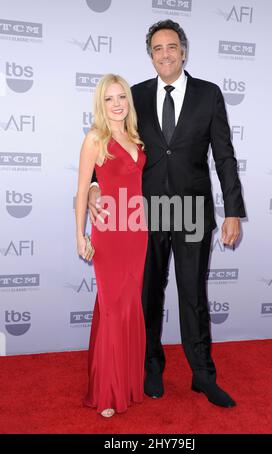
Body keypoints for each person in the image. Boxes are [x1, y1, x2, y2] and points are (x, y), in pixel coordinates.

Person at [89, 20, 246, 408]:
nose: (165, 54)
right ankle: (151, 368)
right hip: (145, 212)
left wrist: (233, 211)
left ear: (184, 51)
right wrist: (94, 183)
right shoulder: (135, 95)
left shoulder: (208, 95)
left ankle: (202, 375)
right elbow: (109, 139)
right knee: (149, 294)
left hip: (193, 210)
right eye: (157, 48)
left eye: (172, 47)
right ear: (150, 55)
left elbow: (224, 156)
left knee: (193, 295)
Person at [75, 74, 148, 417]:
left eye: (121, 98)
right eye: (109, 99)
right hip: (108, 233)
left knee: (129, 306)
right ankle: (107, 391)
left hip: (136, 231)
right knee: (111, 308)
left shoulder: (136, 137)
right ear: (100, 104)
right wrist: (80, 235)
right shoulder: (95, 139)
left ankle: (129, 384)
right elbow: (82, 190)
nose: (117, 104)